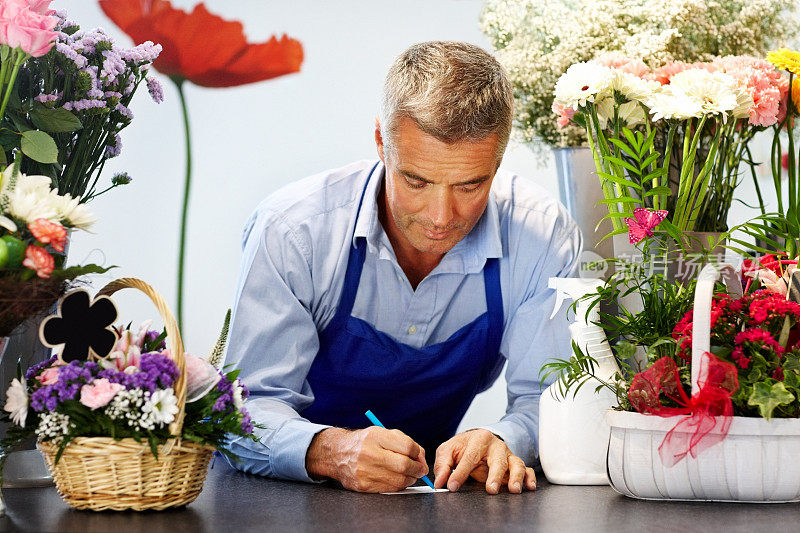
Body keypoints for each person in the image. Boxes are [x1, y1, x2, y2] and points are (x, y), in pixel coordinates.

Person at [223, 41, 581, 494]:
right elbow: (241, 411)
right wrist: (331, 451)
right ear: (381, 142)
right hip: (283, 494)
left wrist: (502, 438)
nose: (441, 216)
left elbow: (552, 399)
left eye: (470, 184)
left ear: (498, 161)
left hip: (428, 495)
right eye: (416, 181)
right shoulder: (294, 231)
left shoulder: (540, 235)